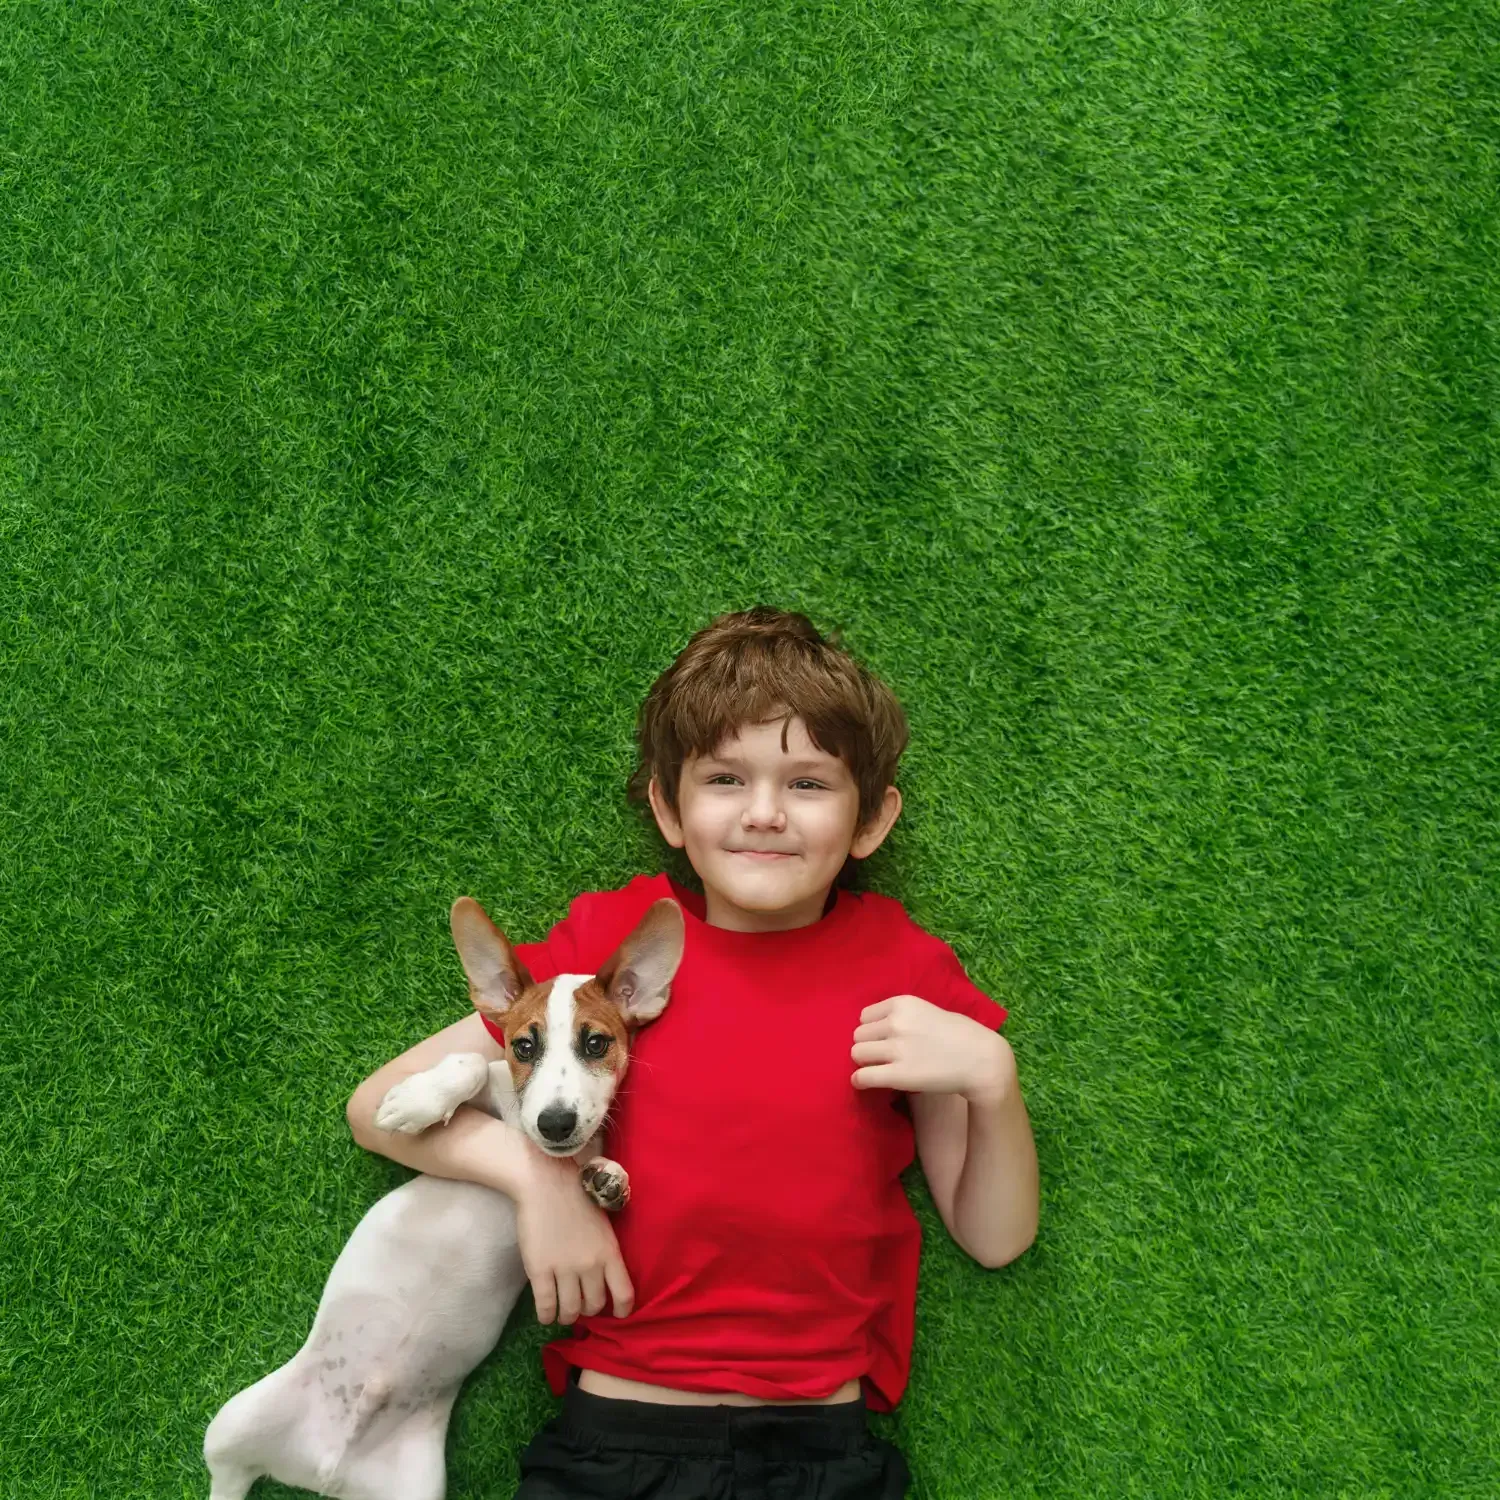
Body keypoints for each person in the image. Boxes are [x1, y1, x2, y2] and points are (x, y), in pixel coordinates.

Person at [347, 606, 1040, 1499]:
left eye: (808, 783)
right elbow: (377, 1108)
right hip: (615, 1437)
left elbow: (995, 1238)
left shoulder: (902, 967)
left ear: (871, 820)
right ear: (669, 808)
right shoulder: (608, 953)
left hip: (820, 1449)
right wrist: (539, 1182)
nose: (764, 813)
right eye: (724, 778)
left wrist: (994, 1080)